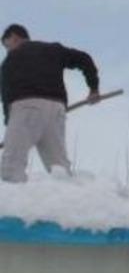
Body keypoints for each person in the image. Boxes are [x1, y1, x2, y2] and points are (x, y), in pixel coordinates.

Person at [0, 24, 100, 183]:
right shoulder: (53, 49)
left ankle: (12, 198)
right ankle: (71, 196)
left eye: (7, 46)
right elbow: (84, 59)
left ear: (14, 37)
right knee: (59, 169)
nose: (8, 50)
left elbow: (6, 97)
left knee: (11, 167)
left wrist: (10, 127)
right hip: (56, 110)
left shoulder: (10, 61)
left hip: (25, 108)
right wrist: (93, 89)